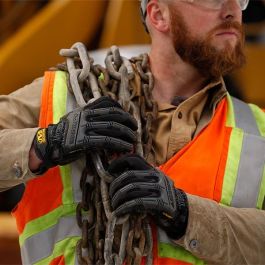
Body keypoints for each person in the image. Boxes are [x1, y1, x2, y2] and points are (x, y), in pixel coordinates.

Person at [0, 0, 264, 264]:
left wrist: (187, 214)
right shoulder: (66, 94)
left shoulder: (258, 130)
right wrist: (47, 143)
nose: (232, 10)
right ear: (159, 14)